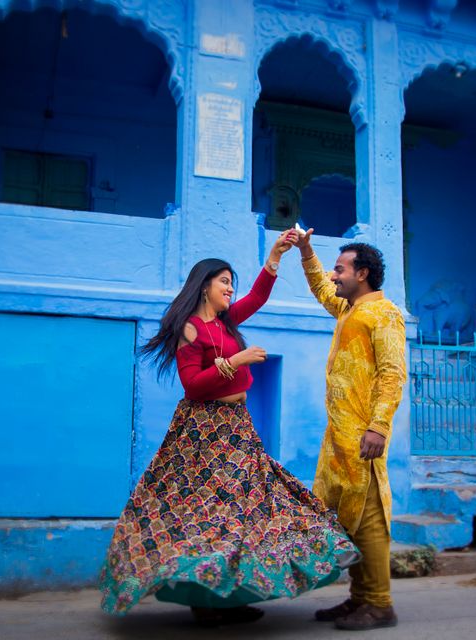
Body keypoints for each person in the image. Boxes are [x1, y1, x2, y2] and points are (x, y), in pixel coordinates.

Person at [100, 229, 359, 627]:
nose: (230, 289)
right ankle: (206, 601)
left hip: (236, 427)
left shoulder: (225, 322)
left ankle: (228, 596)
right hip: (203, 434)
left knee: (243, 511)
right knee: (209, 515)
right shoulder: (192, 327)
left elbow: (257, 297)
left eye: (231, 283)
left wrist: (275, 255)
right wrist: (237, 361)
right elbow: (192, 385)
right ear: (204, 287)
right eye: (224, 282)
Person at [295, 231, 407, 631]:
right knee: (349, 519)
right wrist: (306, 252)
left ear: (362, 273)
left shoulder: (384, 313)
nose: (334, 274)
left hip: (363, 436)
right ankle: (359, 598)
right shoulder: (347, 310)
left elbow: (392, 374)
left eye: (340, 268)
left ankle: (379, 604)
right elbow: (322, 288)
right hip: (339, 437)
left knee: (371, 518)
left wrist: (378, 426)